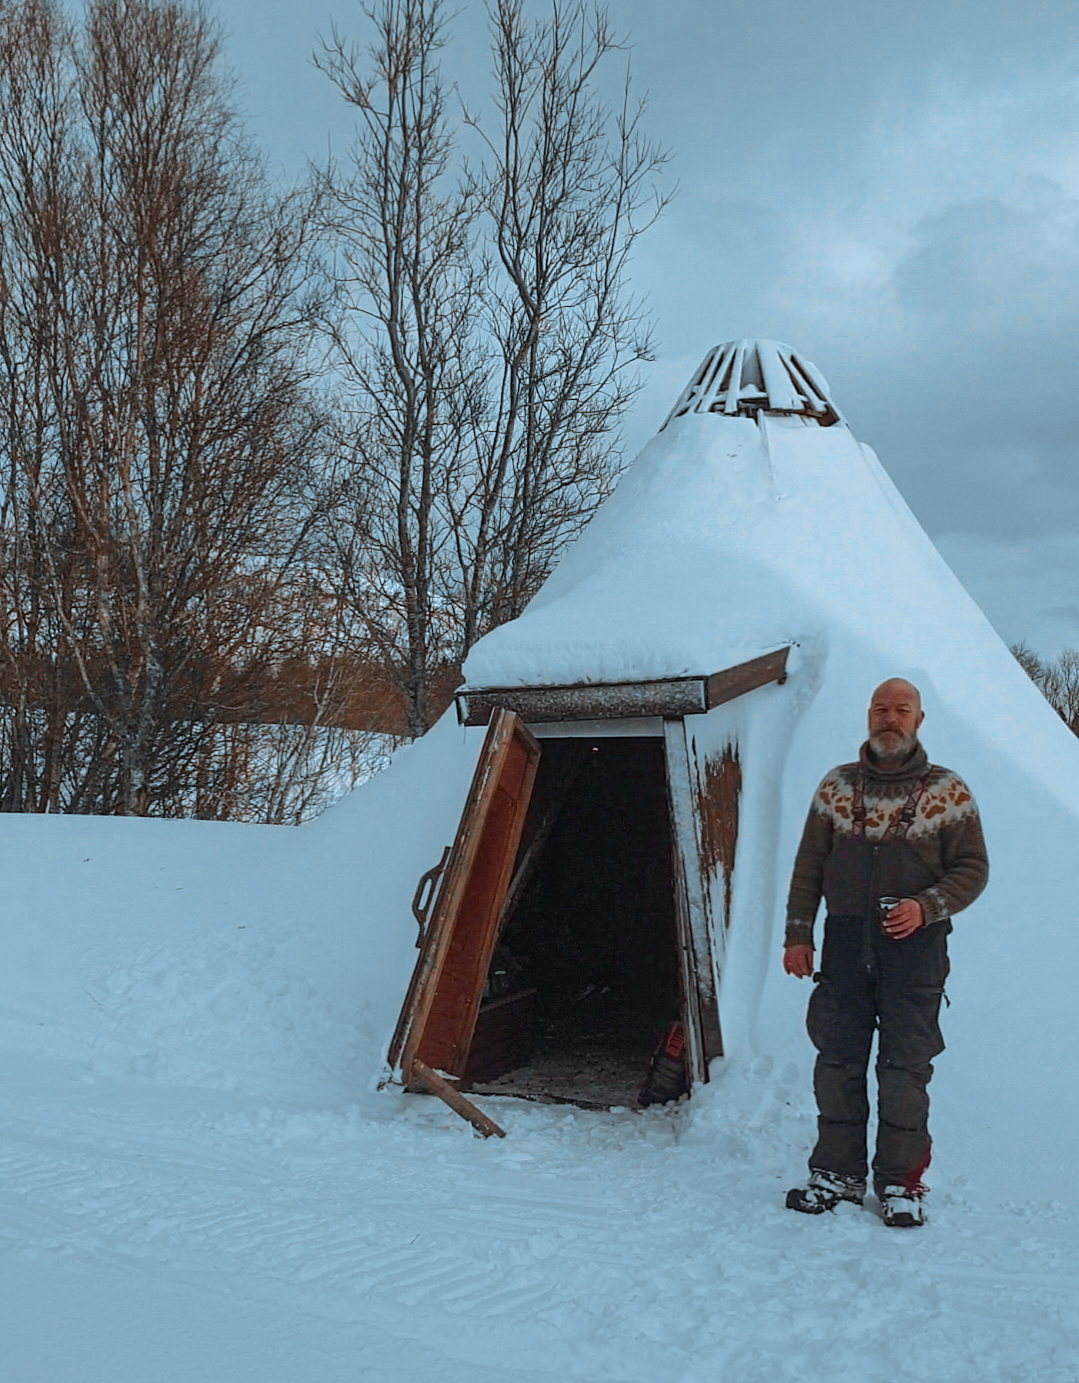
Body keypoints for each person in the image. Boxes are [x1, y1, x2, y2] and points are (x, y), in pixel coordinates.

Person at [783, 678, 988, 1227]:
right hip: (845, 944)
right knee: (837, 1064)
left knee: (903, 1071)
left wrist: (928, 905)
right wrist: (798, 934)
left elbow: (972, 869)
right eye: (880, 708)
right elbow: (808, 867)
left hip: (915, 951)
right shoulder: (835, 787)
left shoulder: (948, 791)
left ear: (920, 719)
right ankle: (837, 1174)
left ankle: (900, 1182)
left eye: (902, 709)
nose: (889, 717)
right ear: (867, 715)